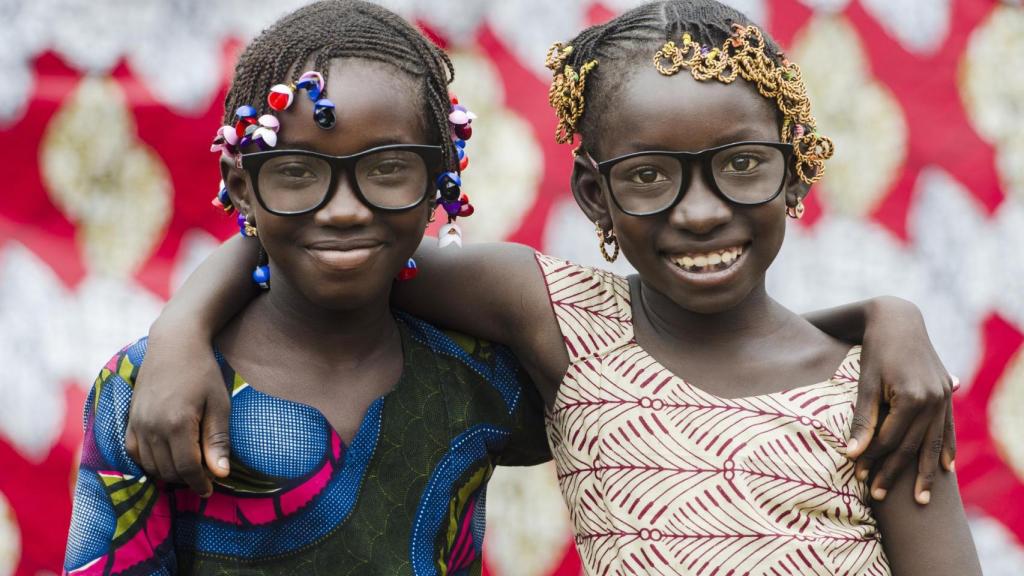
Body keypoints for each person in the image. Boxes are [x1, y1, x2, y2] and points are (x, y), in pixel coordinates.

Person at [124, 1, 975, 573]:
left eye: (742, 167)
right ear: (594, 197)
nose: (702, 212)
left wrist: (884, 320)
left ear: (796, 175)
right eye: (648, 177)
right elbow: (338, 237)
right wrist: (180, 335)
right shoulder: (563, 318)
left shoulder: (876, 400)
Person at [62, 2, 550, 575]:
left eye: (388, 169)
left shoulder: (480, 376)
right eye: (297, 171)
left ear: (440, 178)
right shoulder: (152, 391)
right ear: (241, 187)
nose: (344, 211)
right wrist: (182, 328)